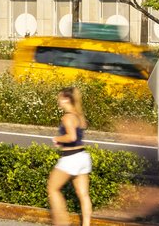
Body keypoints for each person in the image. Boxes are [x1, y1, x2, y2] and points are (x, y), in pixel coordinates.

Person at [47, 87, 92, 226]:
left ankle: (62, 223)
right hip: (83, 157)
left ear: (66, 99)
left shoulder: (67, 117)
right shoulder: (79, 115)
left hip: (70, 158)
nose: (58, 101)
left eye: (60, 98)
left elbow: (71, 137)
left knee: (52, 189)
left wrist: (58, 139)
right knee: (83, 195)